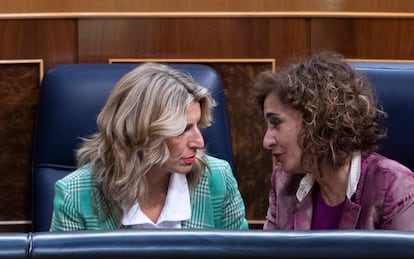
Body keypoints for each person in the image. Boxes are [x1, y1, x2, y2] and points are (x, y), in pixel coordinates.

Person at [50, 62, 248, 231]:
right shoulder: (75, 194)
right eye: (182, 129)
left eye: (197, 126)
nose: (199, 143)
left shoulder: (218, 179)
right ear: (140, 133)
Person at [251, 51, 414, 230]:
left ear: (314, 118)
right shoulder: (283, 183)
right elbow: (272, 256)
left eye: (276, 123)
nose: (266, 141)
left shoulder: (395, 188)